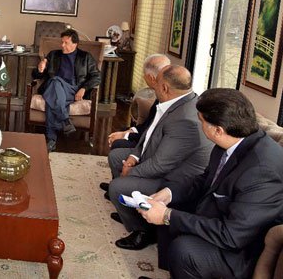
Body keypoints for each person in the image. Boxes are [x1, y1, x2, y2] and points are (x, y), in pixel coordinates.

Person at [139, 88, 283, 279]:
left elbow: (233, 236)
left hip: (244, 251)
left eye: (201, 121)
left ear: (218, 130)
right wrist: (168, 193)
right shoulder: (231, 142)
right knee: (168, 200)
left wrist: (167, 216)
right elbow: (205, 181)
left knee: (184, 249)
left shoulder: (261, 170)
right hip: (224, 216)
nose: (200, 125)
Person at [108, 65, 213, 251]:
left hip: (174, 179)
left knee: (118, 186)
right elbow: (148, 134)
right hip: (156, 156)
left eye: (156, 82)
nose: (153, 85)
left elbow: (160, 165)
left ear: (164, 88)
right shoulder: (173, 101)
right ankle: (130, 210)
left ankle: (142, 231)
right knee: (117, 157)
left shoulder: (186, 119)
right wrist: (133, 156)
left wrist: (131, 173)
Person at [99, 54, 170, 198]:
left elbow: (152, 131)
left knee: (119, 143)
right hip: (148, 137)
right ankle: (117, 183)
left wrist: (126, 135)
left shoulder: (166, 96)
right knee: (119, 135)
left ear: (150, 77)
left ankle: (121, 188)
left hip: (154, 145)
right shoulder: (161, 93)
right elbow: (150, 124)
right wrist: (129, 130)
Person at [32, 28, 101, 151]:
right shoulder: (53, 55)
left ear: (75, 44)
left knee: (51, 98)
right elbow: (36, 75)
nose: (62, 45)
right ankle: (65, 121)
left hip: (73, 90)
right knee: (55, 82)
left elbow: (97, 76)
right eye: (62, 42)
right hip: (54, 86)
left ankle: (51, 139)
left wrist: (84, 88)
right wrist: (40, 69)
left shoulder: (85, 57)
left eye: (66, 43)